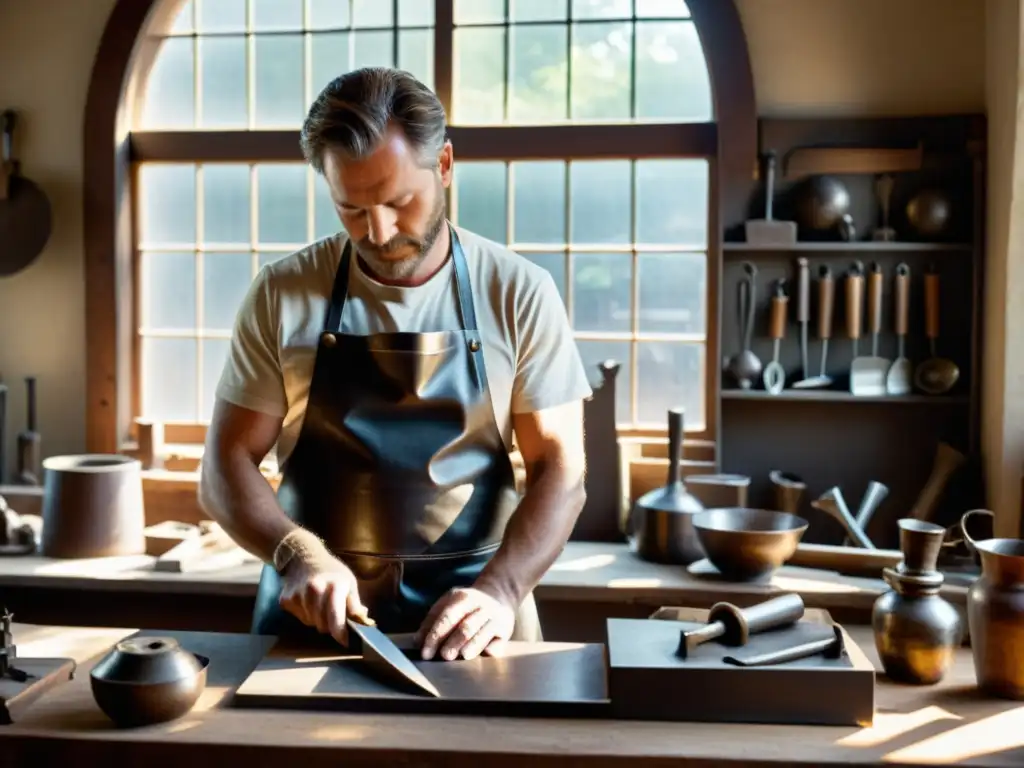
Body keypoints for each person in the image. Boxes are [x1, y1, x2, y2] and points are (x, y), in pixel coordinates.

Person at [198, 66, 592, 663]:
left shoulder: (518, 293)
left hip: (478, 619)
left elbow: (561, 472)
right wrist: (296, 555)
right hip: (317, 618)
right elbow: (224, 465)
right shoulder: (282, 293)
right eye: (350, 208)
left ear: (445, 166)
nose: (378, 231)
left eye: (398, 201)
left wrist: (503, 589)